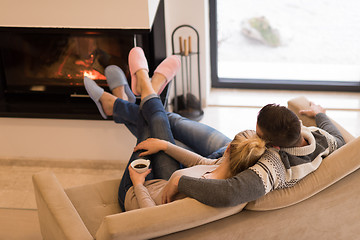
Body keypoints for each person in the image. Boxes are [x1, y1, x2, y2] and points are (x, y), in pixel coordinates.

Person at [86, 47, 346, 209]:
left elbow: (229, 193)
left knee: (161, 123)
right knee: (171, 121)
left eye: (258, 134)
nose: (253, 134)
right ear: (298, 124)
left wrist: (179, 180)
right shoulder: (320, 139)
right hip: (223, 157)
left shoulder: (272, 168)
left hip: (223, 162)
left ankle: (139, 88)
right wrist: (321, 115)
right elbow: (339, 139)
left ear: (274, 146)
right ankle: (138, 94)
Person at [84, 47, 267, 211]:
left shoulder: (204, 189)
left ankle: (139, 90)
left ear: (227, 149)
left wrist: (138, 184)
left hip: (136, 193)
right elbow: (201, 162)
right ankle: (136, 96)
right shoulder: (225, 170)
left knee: (151, 126)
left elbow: (154, 216)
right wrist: (165, 146)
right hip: (163, 182)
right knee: (158, 131)